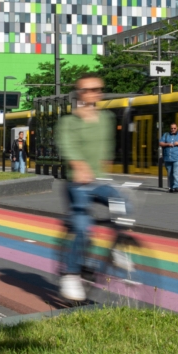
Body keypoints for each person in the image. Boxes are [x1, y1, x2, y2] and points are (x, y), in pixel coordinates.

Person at [55, 72, 126, 302]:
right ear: (78, 94)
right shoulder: (69, 122)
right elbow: (67, 147)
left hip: (99, 181)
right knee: (83, 228)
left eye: (96, 89)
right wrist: (78, 165)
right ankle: (71, 275)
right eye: (86, 90)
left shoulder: (106, 119)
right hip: (77, 184)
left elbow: (107, 148)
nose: (92, 94)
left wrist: (106, 166)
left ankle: (117, 248)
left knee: (122, 205)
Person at [160, 123, 178, 193]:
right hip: (168, 158)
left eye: (174, 128)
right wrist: (167, 144)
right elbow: (160, 143)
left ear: (177, 128)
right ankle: (171, 187)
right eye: (172, 128)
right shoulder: (166, 135)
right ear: (170, 129)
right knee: (170, 173)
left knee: (176, 173)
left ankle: (176, 187)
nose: (173, 130)